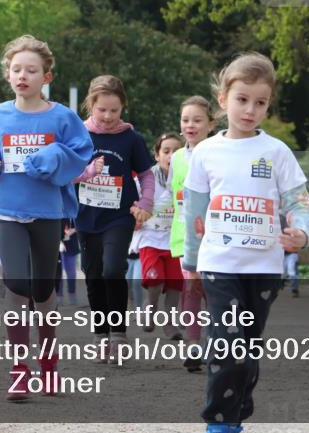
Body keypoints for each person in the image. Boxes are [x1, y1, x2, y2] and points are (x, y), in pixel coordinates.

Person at [183, 52, 309, 433]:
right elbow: (194, 213)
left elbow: (299, 204)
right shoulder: (205, 152)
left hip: (263, 267)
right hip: (219, 264)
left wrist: (301, 234)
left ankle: (236, 415)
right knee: (226, 340)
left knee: (247, 348)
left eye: (260, 102)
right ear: (223, 100)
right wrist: (190, 264)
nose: (250, 109)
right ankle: (218, 426)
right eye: (242, 99)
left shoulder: (277, 153)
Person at [0, 34, 94, 400]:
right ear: (8, 75)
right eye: (16, 69)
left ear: (47, 77)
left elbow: (82, 151)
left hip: (47, 212)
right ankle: (18, 370)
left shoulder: (62, 116)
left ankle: (49, 366)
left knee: (43, 291)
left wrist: (54, 156)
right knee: (16, 287)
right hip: (9, 212)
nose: (22, 75)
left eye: (31, 69)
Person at [72, 75, 154, 363]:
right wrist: (88, 173)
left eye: (114, 111)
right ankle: (100, 334)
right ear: (90, 105)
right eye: (101, 109)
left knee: (112, 270)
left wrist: (145, 202)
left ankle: (118, 334)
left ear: (123, 108)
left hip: (119, 216)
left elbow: (146, 175)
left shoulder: (131, 138)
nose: (107, 117)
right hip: (86, 215)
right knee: (93, 274)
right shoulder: (78, 135)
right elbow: (67, 173)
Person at [169, 95, 217, 372]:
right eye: (185, 120)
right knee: (191, 290)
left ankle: (217, 343)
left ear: (210, 124)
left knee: (213, 293)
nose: (190, 125)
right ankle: (193, 346)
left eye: (197, 120)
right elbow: (173, 196)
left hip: (214, 237)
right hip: (182, 238)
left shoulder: (216, 154)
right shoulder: (176, 157)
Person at [140, 132, 185, 338]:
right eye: (166, 151)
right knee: (155, 280)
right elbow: (136, 202)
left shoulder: (188, 176)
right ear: (157, 155)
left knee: (175, 285)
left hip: (176, 239)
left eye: (176, 151)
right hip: (150, 237)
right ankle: (150, 307)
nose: (171, 155)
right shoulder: (146, 178)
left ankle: (170, 324)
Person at [56, 219, 80, 306]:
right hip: (56, 242)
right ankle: (58, 296)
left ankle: (72, 294)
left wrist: (73, 230)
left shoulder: (73, 210)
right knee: (58, 271)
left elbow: (81, 222)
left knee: (71, 272)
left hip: (71, 244)